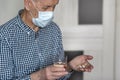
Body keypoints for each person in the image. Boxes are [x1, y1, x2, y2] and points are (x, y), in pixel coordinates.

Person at [0, 0, 93, 80]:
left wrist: (70, 66)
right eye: (46, 7)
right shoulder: (4, 36)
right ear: (28, 3)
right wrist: (41, 75)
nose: (51, 12)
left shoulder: (54, 29)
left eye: (54, 6)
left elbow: (58, 75)